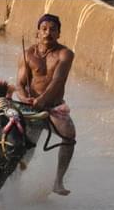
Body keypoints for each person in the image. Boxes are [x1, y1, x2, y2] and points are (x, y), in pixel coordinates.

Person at [16, 14, 76, 196]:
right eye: (44, 29)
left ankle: (58, 181)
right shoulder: (28, 54)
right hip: (31, 107)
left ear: (59, 33)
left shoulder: (65, 54)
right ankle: (14, 179)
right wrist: (24, 97)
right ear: (37, 33)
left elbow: (58, 80)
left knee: (69, 135)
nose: (48, 33)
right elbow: (19, 84)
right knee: (26, 145)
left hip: (54, 107)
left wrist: (41, 101)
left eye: (52, 29)